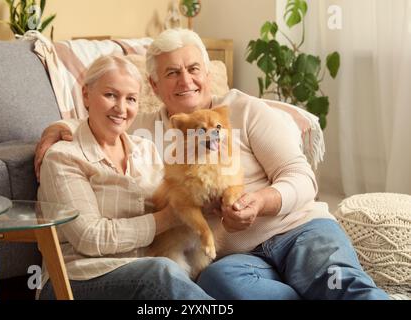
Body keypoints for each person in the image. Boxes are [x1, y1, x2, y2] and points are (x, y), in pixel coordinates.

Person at [35, 29, 389, 300]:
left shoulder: (246, 110)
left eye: (193, 69)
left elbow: (300, 177)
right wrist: (58, 128)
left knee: (337, 282)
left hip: (296, 229)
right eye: (172, 73)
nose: (185, 80)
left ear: (208, 74)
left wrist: (261, 202)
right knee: (221, 286)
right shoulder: (146, 130)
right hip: (236, 258)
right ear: (155, 86)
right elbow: (104, 120)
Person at [37, 54, 212, 300]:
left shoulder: (146, 149)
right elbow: (89, 237)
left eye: (131, 99)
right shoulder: (63, 157)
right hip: (75, 280)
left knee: (209, 275)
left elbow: (171, 197)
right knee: (160, 273)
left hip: (144, 273)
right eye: (110, 95)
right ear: (86, 95)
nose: (121, 108)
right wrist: (169, 218)